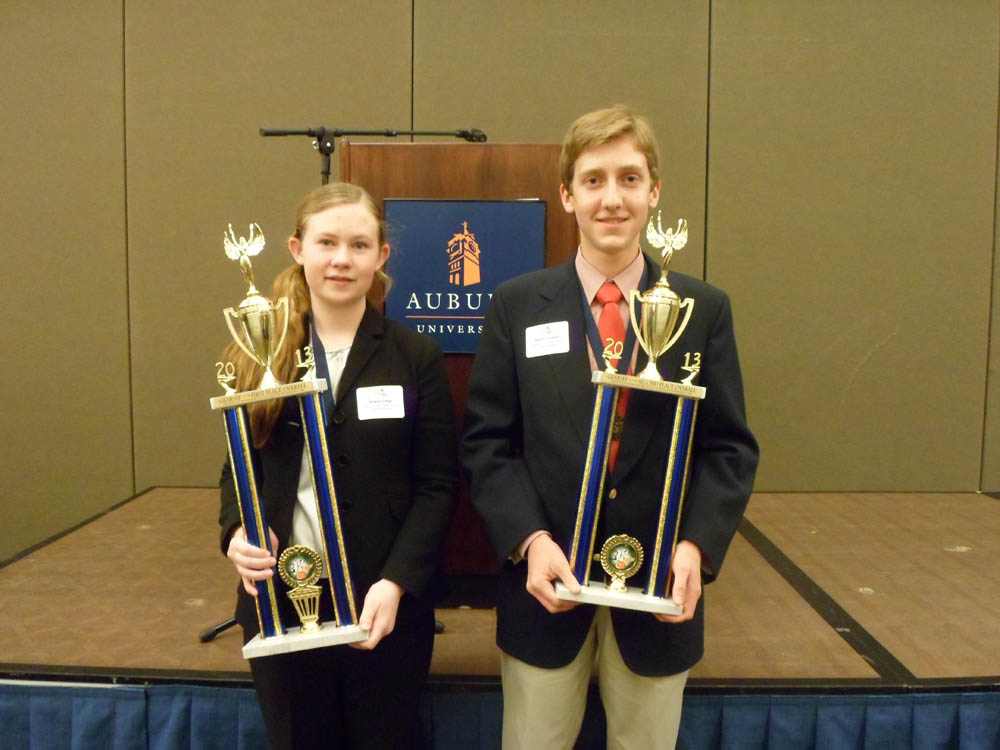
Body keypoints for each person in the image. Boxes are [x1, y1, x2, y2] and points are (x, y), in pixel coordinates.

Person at [462, 105, 759, 749]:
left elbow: (729, 448)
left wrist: (696, 547)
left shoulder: (702, 310)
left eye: (629, 178)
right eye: (593, 180)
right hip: (546, 586)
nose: (612, 199)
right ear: (567, 195)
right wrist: (529, 541)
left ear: (654, 192)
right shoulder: (517, 305)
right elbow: (488, 444)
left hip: (658, 590)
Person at [218, 182, 458, 750]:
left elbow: (438, 487)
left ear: (381, 256)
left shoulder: (415, 355)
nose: (342, 259)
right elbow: (236, 469)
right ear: (298, 249)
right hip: (280, 599)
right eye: (327, 243)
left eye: (359, 245)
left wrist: (396, 584)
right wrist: (235, 534)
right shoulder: (260, 352)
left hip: (384, 604)